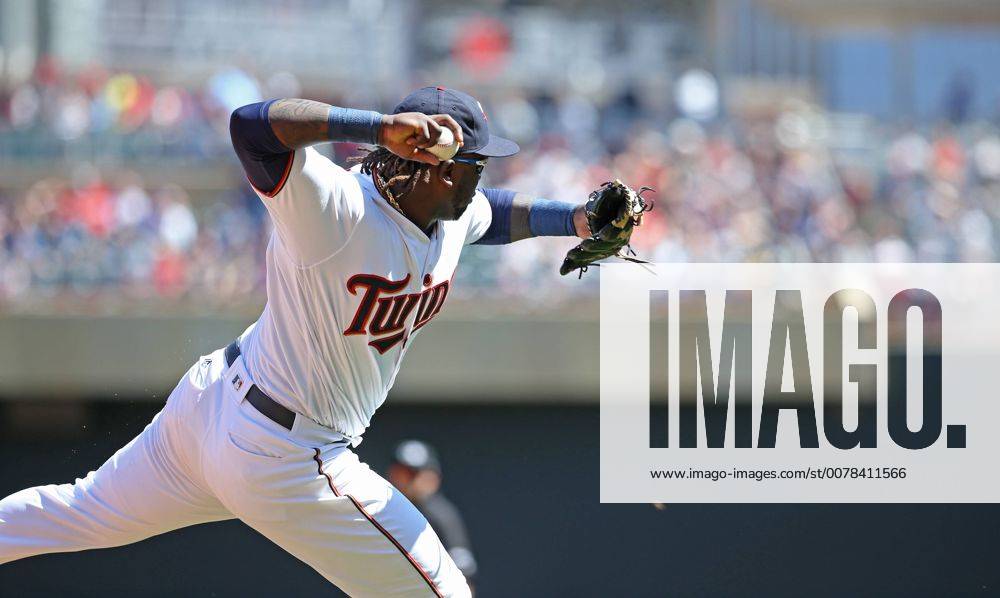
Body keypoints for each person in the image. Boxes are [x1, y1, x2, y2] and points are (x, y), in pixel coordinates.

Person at [0, 86, 589, 597]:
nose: (481, 174)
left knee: (80, 513)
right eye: (474, 163)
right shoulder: (337, 204)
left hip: (220, 404)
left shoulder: (450, 213)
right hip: (286, 450)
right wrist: (376, 126)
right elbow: (249, 128)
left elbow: (502, 215)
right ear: (435, 163)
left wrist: (581, 221)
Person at [388, 440, 478, 585]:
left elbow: (464, 573)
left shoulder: (441, 516)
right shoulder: (381, 507)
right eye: (406, 472)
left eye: (416, 473)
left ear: (434, 476)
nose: (411, 480)